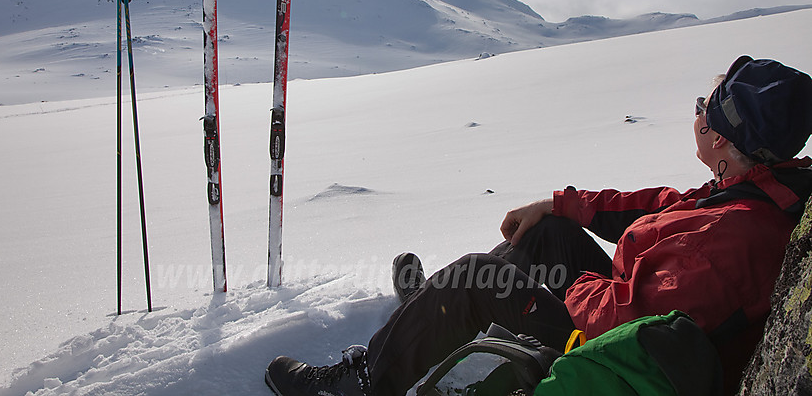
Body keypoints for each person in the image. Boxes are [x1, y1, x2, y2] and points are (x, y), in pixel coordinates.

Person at [265, 56, 812, 396]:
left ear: (719, 137)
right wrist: (560, 205)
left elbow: (630, 322)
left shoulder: (732, 237)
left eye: (703, 106)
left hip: (616, 355)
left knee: (481, 279)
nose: (695, 112)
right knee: (546, 236)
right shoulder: (750, 189)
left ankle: (358, 385)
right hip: (626, 318)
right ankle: (432, 311)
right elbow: (662, 207)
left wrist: (560, 286)